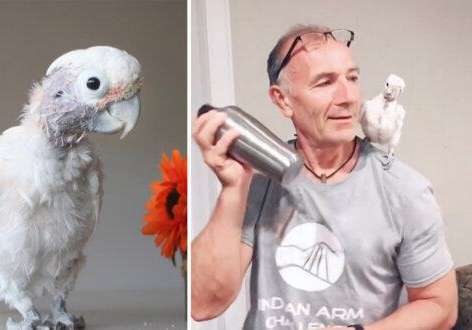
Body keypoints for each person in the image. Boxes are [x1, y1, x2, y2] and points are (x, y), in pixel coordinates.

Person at [191, 25, 457, 330]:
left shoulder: (405, 190)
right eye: (325, 83)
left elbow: (440, 306)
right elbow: (204, 304)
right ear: (282, 100)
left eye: (352, 78)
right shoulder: (258, 181)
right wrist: (232, 187)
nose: (347, 96)